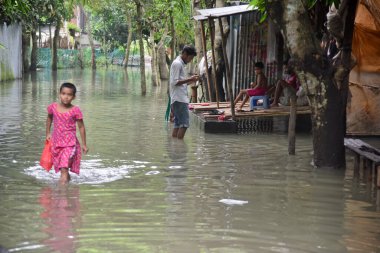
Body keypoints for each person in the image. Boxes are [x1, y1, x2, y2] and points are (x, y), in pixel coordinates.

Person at [46, 82, 88, 184]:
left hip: (70, 144)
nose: (66, 97)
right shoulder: (53, 107)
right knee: (63, 171)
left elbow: (81, 127)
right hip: (56, 143)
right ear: (59, 94)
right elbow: (49, 118)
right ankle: (68, 192)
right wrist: (48, 133)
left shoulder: (75, 110)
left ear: (73, 97)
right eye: (63, 93)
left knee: (64, 169)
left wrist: (84, 144)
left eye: (69, 95)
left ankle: (61, 194)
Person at [169, 45, 199, 139]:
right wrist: (189, 79)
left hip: (179, 98)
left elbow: (181, 83)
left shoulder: (180, 64)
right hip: (179, 99)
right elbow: (174, 82)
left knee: (178, 124)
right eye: (190, 58)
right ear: (185, 54)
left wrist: (191, 80)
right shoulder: (177, 64)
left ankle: (175, 146)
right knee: (184, 124)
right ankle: (179, 149)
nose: (190, 60)